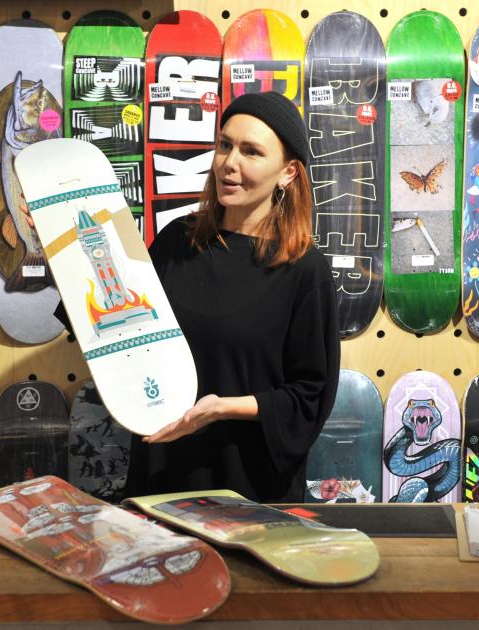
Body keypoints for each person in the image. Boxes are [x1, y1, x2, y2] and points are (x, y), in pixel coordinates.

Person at [125, 91, 340, 503]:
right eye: (224, 145)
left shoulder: (303, 270)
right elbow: (121, 331)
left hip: (248, 485)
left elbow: (310, 396)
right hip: (163, 474)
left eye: (251, 151)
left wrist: (222, 408)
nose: (229, 163)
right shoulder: (176, 242)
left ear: (288, 173)